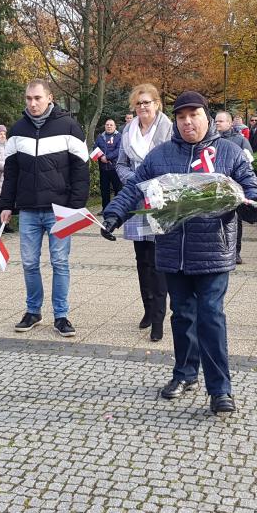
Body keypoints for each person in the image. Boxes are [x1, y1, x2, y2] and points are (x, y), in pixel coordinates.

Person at [101, 91, 257, 415]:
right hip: (172, 249)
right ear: (175, 120)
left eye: (194, 115)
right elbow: (134, 187)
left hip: (213, 250)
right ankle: (185, 373)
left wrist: (248, 205)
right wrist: (113, 215)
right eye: (181, 116)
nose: (188, 122)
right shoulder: (161, 156)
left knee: (211, 316)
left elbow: (253, 192)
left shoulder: (229, 153)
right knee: (182, 315)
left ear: (207, 116)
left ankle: (220, 390)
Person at [0, 79, 90, 338]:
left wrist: (76, 207)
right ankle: (33, 311)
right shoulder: (17, 130)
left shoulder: (69, 126)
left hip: (59, 210)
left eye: (37, 98)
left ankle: (61, 315)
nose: (33, 103)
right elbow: (11, 172)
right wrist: (6, 204)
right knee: (29, 263)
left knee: (59, 262)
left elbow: (81, 170)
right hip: (28, 209)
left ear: (50, 97)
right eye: (28, 98)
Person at [115, 83, 173, 340]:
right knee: (142, 259)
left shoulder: (168, 128)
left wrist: (152, 183)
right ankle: (147, 308)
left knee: (158, 259)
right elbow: (121, 163)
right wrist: (135, 181)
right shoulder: (128, 130)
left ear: (157, 104)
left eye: (147, 102)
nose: (142, 107)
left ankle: (159, 317)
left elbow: (174, 161)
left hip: (160, 199)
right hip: (136, 198)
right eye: (138, 103)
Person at [215, 110, 254, 265]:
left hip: (234, 187)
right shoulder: (210, 139)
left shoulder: (240, 140)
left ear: (230, 123)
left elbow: (249, 159)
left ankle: (235, 251)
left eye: (221, 121)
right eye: (216, 121)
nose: (217, 123)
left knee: (235, 220)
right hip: (215, 187)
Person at [94, 119, 122, 210]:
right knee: (104, 190)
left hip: (115, 168)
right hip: (103, 168)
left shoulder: (119, 136)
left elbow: (119, 150)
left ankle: (118, 208)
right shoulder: (100, 137)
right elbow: (95, 148)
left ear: (115, 127)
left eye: (111, 125)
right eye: (107, 125)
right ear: (105, 126)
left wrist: (107, 157)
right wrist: (101, 156)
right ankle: (105, 209)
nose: (109, 126)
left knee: (118, 189)